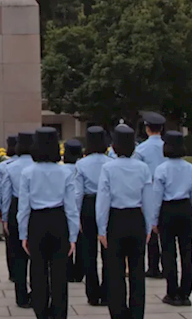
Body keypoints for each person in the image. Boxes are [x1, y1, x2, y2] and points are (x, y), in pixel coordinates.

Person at [18, 127, 79, 319]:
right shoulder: (65, 173)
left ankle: (41, 311)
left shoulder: (28, 173)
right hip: (59, 220)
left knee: (38, 269)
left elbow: (23, 208)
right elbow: (71, 207)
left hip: (37, 221)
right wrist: (73, 235)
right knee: (59, 272)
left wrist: (23, 234)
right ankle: (59, 312)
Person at [96, 124, 154, 319]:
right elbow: (148, 199)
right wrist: (147, 226)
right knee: (137, 270)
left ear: (114, 145)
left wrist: (101, 228)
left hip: (115, 219)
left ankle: (118, 312)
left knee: (115, 270)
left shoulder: (108, 168)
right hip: (136, 218)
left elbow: (103, 200)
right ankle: (137, 312)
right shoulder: (143, 168)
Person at [150, 131, 192, 307]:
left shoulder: (161, 169)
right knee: (187, 252)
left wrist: (153, 220)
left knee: (169, 252)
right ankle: (185, 292)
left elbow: (156, 197)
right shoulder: (191, 168)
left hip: (167, 210)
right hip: (185, 208)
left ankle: (172, 292)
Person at [0, 131, 36, 308]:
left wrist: (5, 217)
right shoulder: (37, 166)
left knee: (18, 255)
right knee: (37, 256)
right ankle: (37, 292)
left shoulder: (9, 167)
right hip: (36, 209)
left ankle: (21, 296)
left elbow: (6, 194)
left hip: (15, 207)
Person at [75, 126, 110, 307]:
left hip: (88, 205)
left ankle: (92, 293)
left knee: (88, 251)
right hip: (107, 205)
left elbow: (77, 193)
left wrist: (76, 216)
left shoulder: (81, 164)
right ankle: (106, 292)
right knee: (108, 252)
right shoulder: (110, 161)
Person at [132, 111, 166, 279]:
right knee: (166, 233)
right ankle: (167, 265)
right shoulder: (168, 145)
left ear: (147, 128)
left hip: (150, 190)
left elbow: (137, 173)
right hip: (168, 191)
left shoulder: (141, 149)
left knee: (151, 229)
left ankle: (153, 266)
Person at [0, 135, 18, 283]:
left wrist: (0, 209)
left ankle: (14, 273)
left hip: (12, 206)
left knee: (12, 242)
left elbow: (1, 190)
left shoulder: (5, 166)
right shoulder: (33, 164)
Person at [62, 138, 83, 283]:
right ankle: (80, 271)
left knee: (66, 239)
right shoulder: (82, 167)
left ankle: (68, 271)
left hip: (65, 208)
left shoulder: (62, 170)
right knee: (82, 242)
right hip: (84, 206)